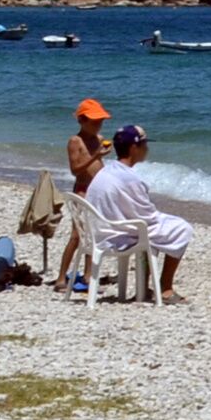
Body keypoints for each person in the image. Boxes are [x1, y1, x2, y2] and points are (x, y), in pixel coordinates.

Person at [80, 122, 194, 302]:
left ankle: (144, 288)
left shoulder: (106, 170)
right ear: (134, 148)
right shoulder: (129, 179)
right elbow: (147, 217)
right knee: (182, 228)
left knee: (153, 231)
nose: (146, 149)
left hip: (100, 231)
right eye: (144, 145)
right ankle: (165, 288)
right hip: (116, 235)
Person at [59, 99, 110, 287]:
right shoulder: (75, 141)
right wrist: (96, 156)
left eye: (100, 122)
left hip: (96, 191)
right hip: (82, 191)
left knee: (93, 235)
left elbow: (99, 167)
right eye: (94, 122)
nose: (98, 125)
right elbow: (75, 169)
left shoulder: (98, 139)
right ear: (81, 121)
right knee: (76, 235)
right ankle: (61, 277)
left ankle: (89, 275)